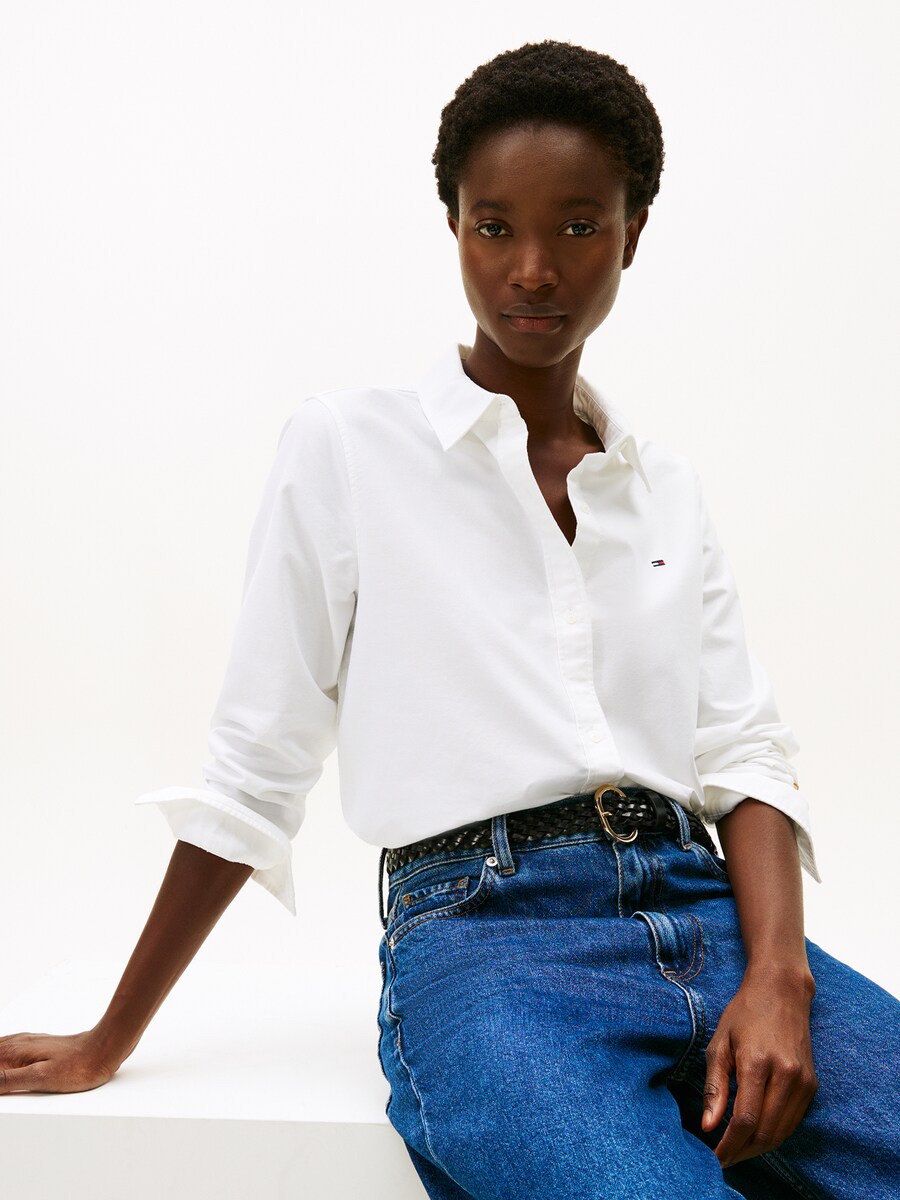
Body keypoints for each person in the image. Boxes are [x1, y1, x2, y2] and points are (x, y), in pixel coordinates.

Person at [1, 38, 897, 1200]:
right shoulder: (349, 449)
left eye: (579, 226)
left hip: (706, 914)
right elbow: (257, 765)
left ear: (632, 234)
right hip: (484, 943)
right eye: (494, 226)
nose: (533, 269)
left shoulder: (663, 486)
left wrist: (780, 976)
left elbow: (744, 749)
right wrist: (111, 1035)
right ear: (455, 228)